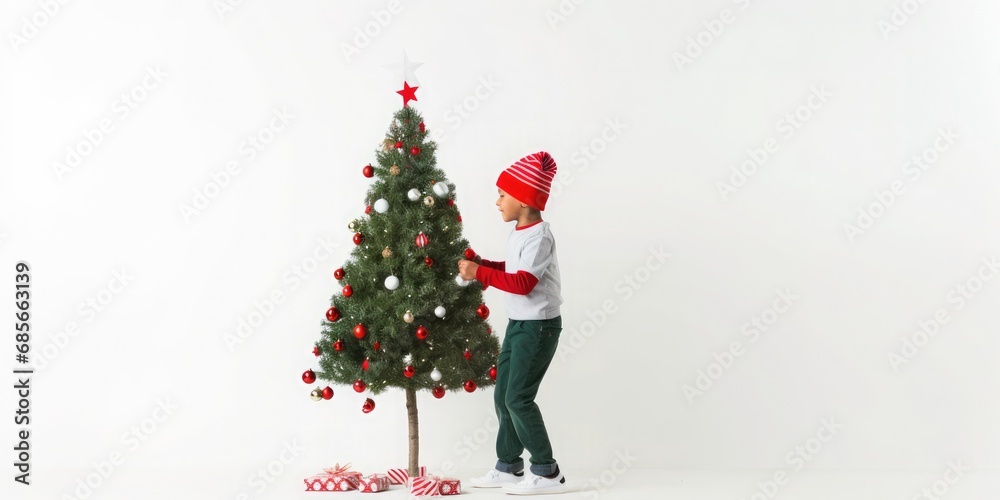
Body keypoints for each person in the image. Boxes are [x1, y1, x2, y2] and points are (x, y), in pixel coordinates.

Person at [457, 151, 566, 495]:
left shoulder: (539, 236)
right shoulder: (521, 232)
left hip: (538, 329)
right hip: (519, 324)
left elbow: (523, 283)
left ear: (523, 198)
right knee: (504, 395)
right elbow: (512, 268)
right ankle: (509, 465)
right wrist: (483, 264)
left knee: (519, 398)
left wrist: (480, 274)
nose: (497, 201)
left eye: (503, 194)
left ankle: (548, 473)